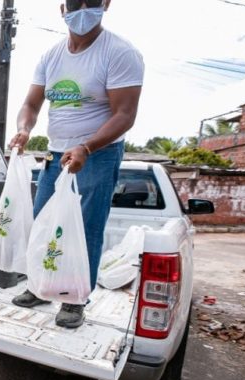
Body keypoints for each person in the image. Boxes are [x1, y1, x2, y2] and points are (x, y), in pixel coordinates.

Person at [9, 0, 144, 329]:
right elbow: (30, 103)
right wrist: (25, 130)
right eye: (75, 2)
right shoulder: (52, 56)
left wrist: (87, 146)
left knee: (84, 229)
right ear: (62, 8)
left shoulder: (120, 52)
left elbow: (124, 114)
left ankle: (74, 299)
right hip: (55, 156)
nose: (83, 8)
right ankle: (41, 286)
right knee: (45, 222)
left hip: (97, 155)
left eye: (92, 1)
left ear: (106, 4)